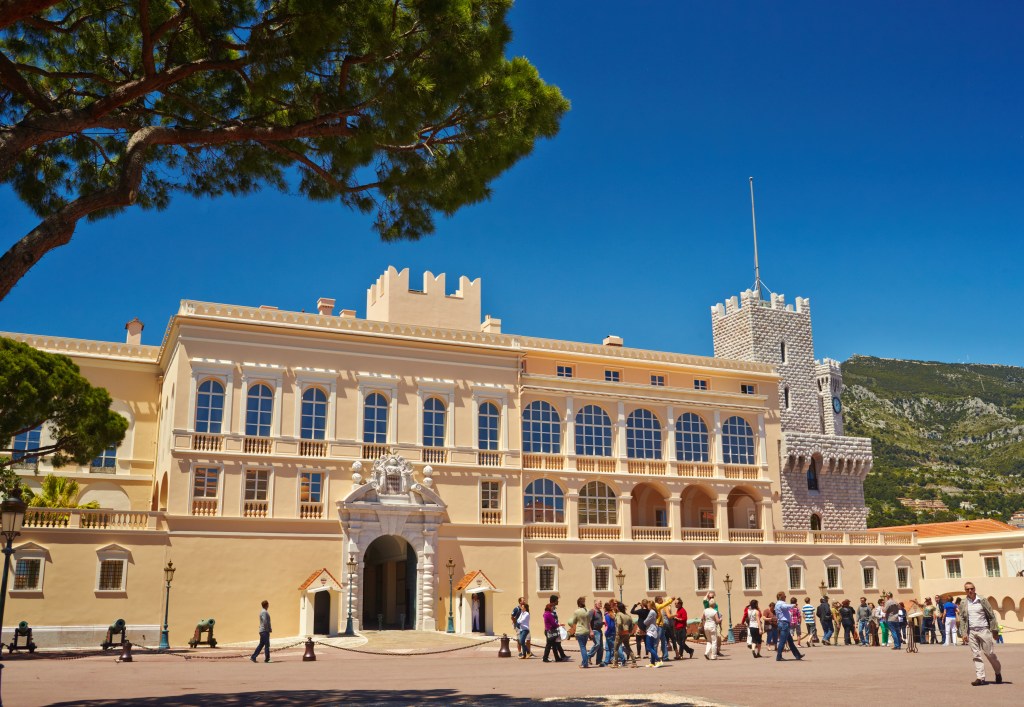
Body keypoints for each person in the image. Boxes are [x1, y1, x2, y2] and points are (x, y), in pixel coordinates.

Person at [957, 583, 1002, 686]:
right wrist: (964, 633)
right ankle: (980, 678)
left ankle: (998, 672)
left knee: (989, 653)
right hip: (971, 631)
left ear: (974, 589)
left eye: (971, 589)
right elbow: (963, 619)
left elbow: (991, 615)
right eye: (967, 589)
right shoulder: (964, 602)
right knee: (976, 654)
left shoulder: (982, 600)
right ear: (965, 590)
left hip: (984, 630)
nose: (970, 591)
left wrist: (995, 630)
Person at [773, 592, 804, 661]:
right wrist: (793, 605)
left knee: (790, 641)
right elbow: (785, 607)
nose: (785, 597)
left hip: (782, 623)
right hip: (784, 624)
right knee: (782, 641)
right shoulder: (781, 603)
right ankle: (779, 656)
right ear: (781, 597)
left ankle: (797, 655)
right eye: (784, 596)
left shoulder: (777, 604)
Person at [570, 596, 593, 668]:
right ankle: (584, 662)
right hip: (586, 631)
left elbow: (574, 622)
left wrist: (572, 631)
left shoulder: (577, 612)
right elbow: (589, 621)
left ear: (578, 604)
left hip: (580, 631)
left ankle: (585, 663)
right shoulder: (588, 611)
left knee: (582, 648)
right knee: (584, 647)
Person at [614, 601, 637, 667]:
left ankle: (615, 663)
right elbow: (633, 623)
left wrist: (620, 630)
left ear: (618, 608)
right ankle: (634, 662)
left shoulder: (618, 614)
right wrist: (630, 631)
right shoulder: (628, 615)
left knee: (616, 648)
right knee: (628, 647)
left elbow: (619, 623)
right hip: (627, 633)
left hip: (620, 633)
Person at [643, 599, 664, 667]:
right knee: (652, 647)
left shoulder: (651, 612)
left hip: (651, 631)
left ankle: (658, 660)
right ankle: (652, 662)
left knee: (649, 647)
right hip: (652, 630)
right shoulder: (653, 612)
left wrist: (643, 622)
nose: (647, 606)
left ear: (651, 606)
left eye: (648, 605)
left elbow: (646, 622)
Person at [549, 594, 569, 662]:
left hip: (555, 627)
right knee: (553, 644)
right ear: (554, 601)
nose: (558, 602)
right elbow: (551, 618)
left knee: (557, 643)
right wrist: (557, 624)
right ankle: (555, 657)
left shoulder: (554, 608)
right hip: (552, 628)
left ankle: (562, 655)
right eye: (557, 600)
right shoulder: (550, 608)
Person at [588, 599, 605, 666]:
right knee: (597, 644)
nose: (601, 604)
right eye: (599, 603)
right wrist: (591, 631)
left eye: (601, 603)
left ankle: (599, 661)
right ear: (595, 604)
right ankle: (588, 656)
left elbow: (598, 621)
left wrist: (602, 623)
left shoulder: (600, 612)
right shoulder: (592, 611)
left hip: (599, 630)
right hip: (594, 631)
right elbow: (588, 622)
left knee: (601, 647)